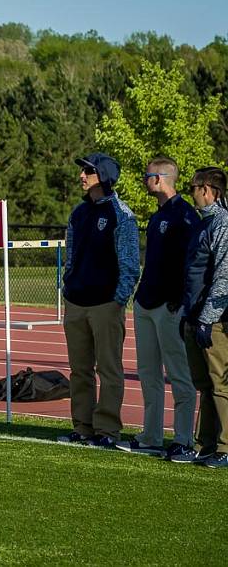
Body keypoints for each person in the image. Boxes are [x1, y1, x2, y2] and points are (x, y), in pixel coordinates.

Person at [116, 157, 197, 459]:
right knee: (148, 372)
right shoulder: (157, 216)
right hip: (146, 302)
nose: (143, 180)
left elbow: (193, 264)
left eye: (146, 175)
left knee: (178, 374)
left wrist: (181, 300)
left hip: (169, 306)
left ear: (159, 178)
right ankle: (151, 435)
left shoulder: (185, 216)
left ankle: (184, 439)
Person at [59, 153, 140, 448]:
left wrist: (118, 300)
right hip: (76, 302)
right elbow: (72, 256)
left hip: (107, 304)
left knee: (109, 370)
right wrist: (67, 287)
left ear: (103, 176)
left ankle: (107, 430)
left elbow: (130, 265)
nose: (82, 175)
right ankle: (82, 427)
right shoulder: (78, 214)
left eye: (88, 171)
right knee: (79, 370)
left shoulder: (122, 214)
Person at [180, 166, 228, 469]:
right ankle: (206, 444)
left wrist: (207, 318)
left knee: (220, 384)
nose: (192, 193)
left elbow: (224, 274)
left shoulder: (222, 223)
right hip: (194, 315)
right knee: (205, 385)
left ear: (209, 190)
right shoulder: (203, 223)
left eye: (193, 188)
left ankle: (225, 445)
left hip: (213, 320)